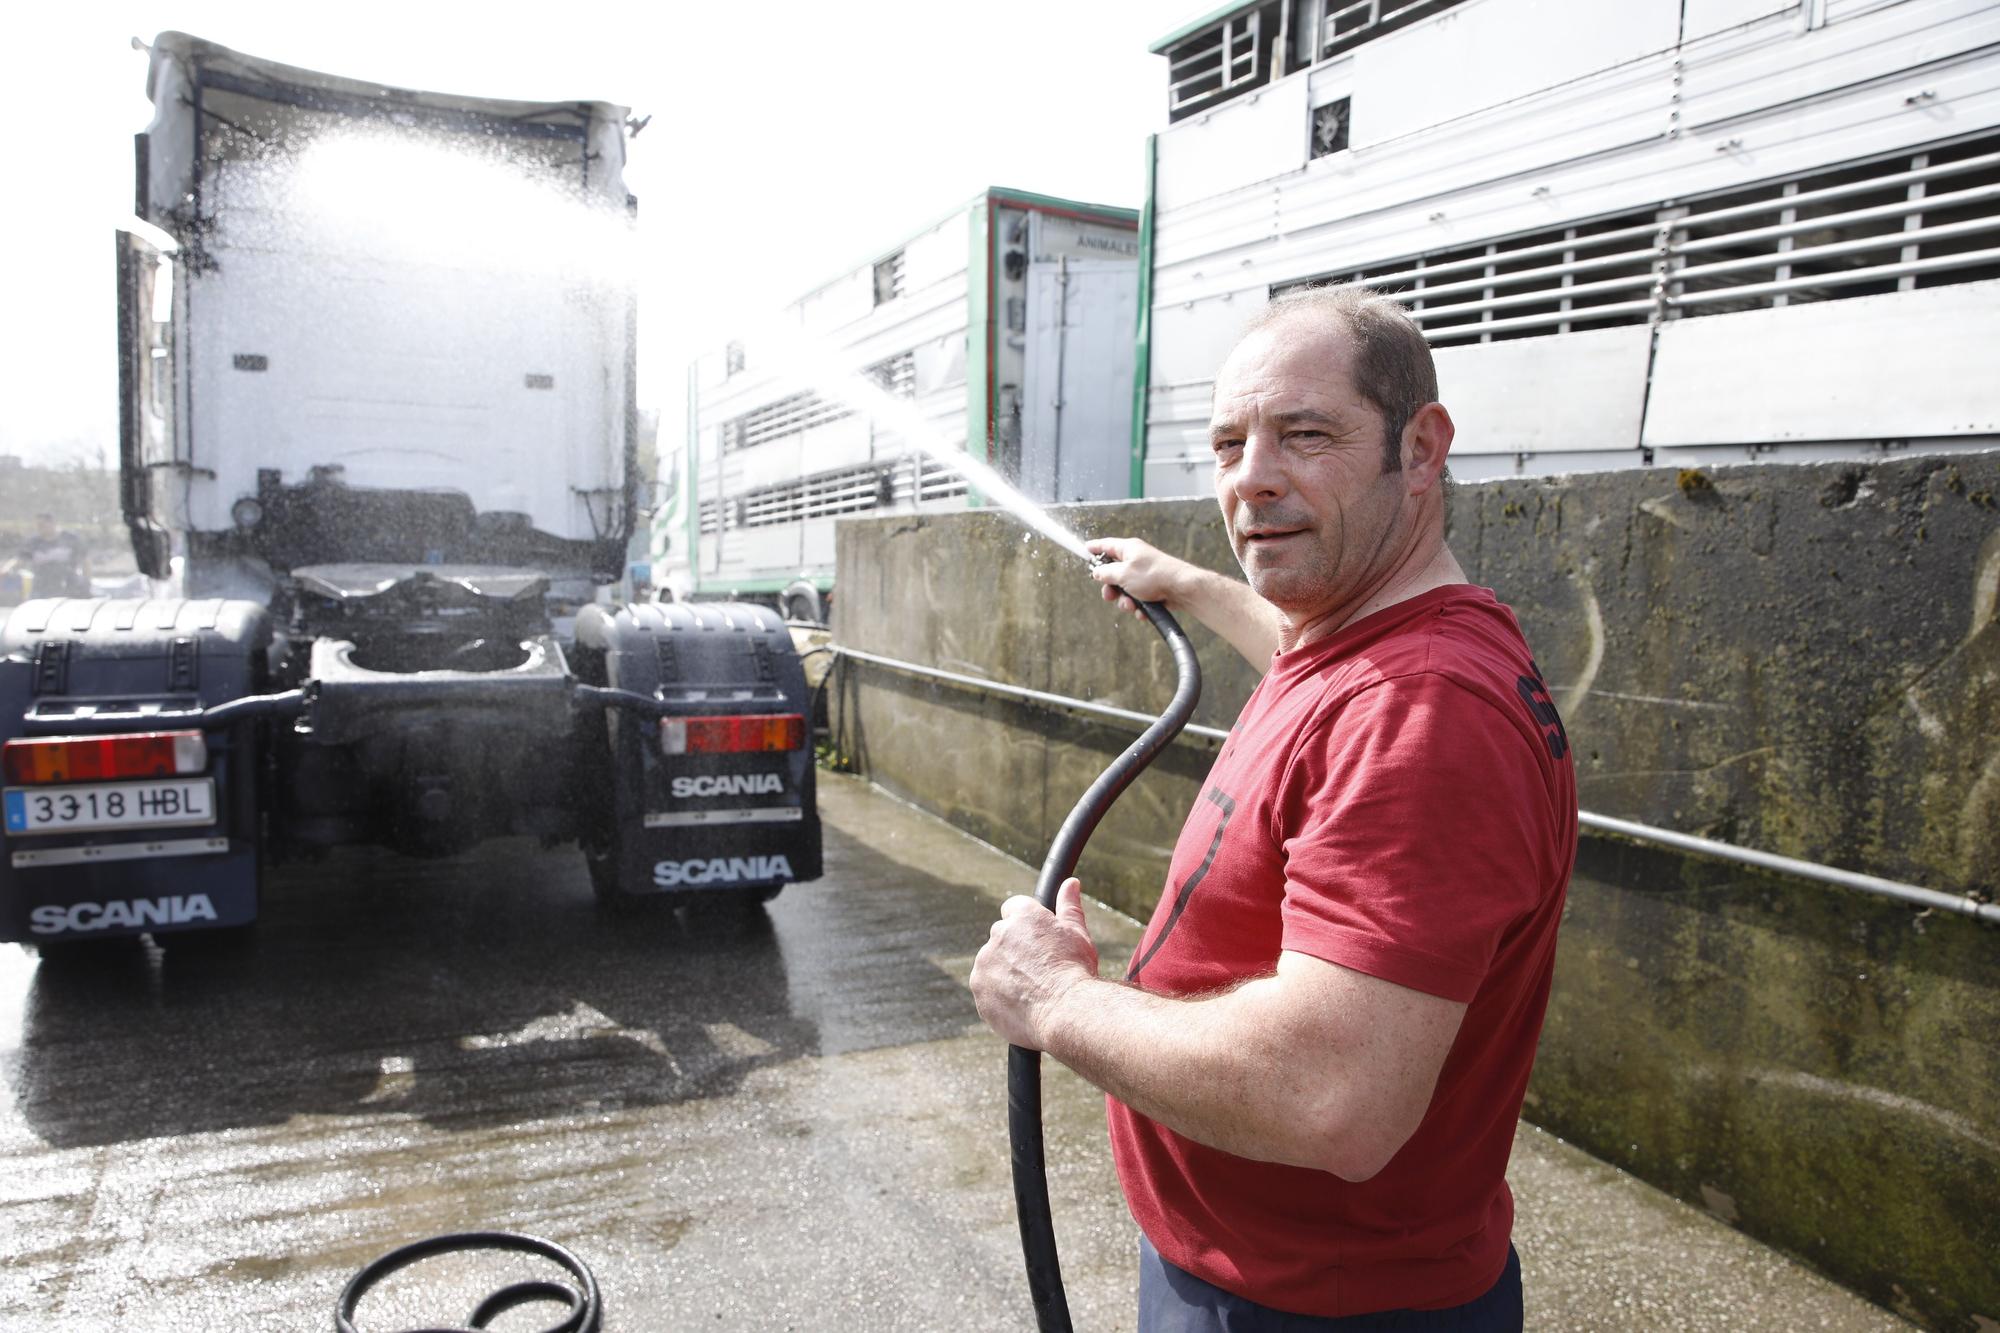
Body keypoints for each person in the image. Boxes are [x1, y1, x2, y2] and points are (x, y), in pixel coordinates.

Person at [970, 285, 1577, 1331]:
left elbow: (1328, 1093)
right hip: (1278, 1275)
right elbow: (1306, 662)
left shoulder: (1416, 712)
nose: (1251, 480)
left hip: (1305, 1305)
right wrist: (1194, 587)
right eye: (1226, 445)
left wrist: (1055, 1003)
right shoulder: (1363, 645)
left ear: (1420, 449)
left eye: (1304, 435)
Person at [5, 514, 91, 599]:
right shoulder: (33, 542)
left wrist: (86, 580)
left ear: (53, 523)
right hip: (41, 587)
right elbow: (20, 559)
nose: (39, 528)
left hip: (68, 585)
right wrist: (6, 569)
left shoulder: (71, 539)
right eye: (38, 526)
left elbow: (85, 560)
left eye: (42, 525)